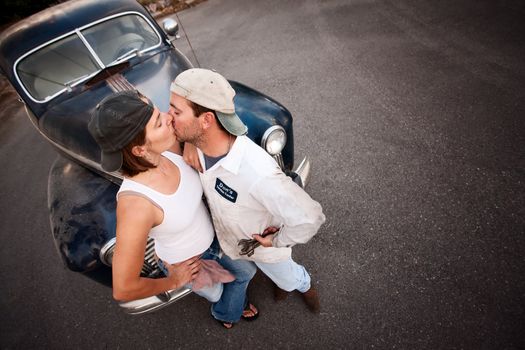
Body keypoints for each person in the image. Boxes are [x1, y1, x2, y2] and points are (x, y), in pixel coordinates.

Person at [88, 90, 258, 327]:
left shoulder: (168, 148)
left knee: (246, 273)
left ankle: (231, 307)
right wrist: (174, 281)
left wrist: (189, 141)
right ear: (139, 149)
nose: (169, 117)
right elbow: (124, 288)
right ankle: (226, 312)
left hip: (216, 238)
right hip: (186, 262)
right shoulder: (136, 205)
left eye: (160, 112)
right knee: (218, 293)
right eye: (159, 122)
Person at [169, 68, 326, 313]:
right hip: (230, 244)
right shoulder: (197, 140)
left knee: (287, 277)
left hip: (265, 249)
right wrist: (188, 140)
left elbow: (309, 218)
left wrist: (276, 240)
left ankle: (304, 286)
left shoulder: (257, 173)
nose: (168, 117)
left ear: (207, 120)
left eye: (176, 111)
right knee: (265, 273)